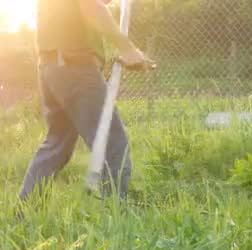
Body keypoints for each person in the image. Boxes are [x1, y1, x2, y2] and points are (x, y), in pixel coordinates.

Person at [18, 0, 154, 203]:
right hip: (75, 66)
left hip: (51, 66)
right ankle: (115, 214)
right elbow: (91, 6)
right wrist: (127, 48)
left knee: (57, 144)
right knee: (112, 143)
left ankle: (24, 214)